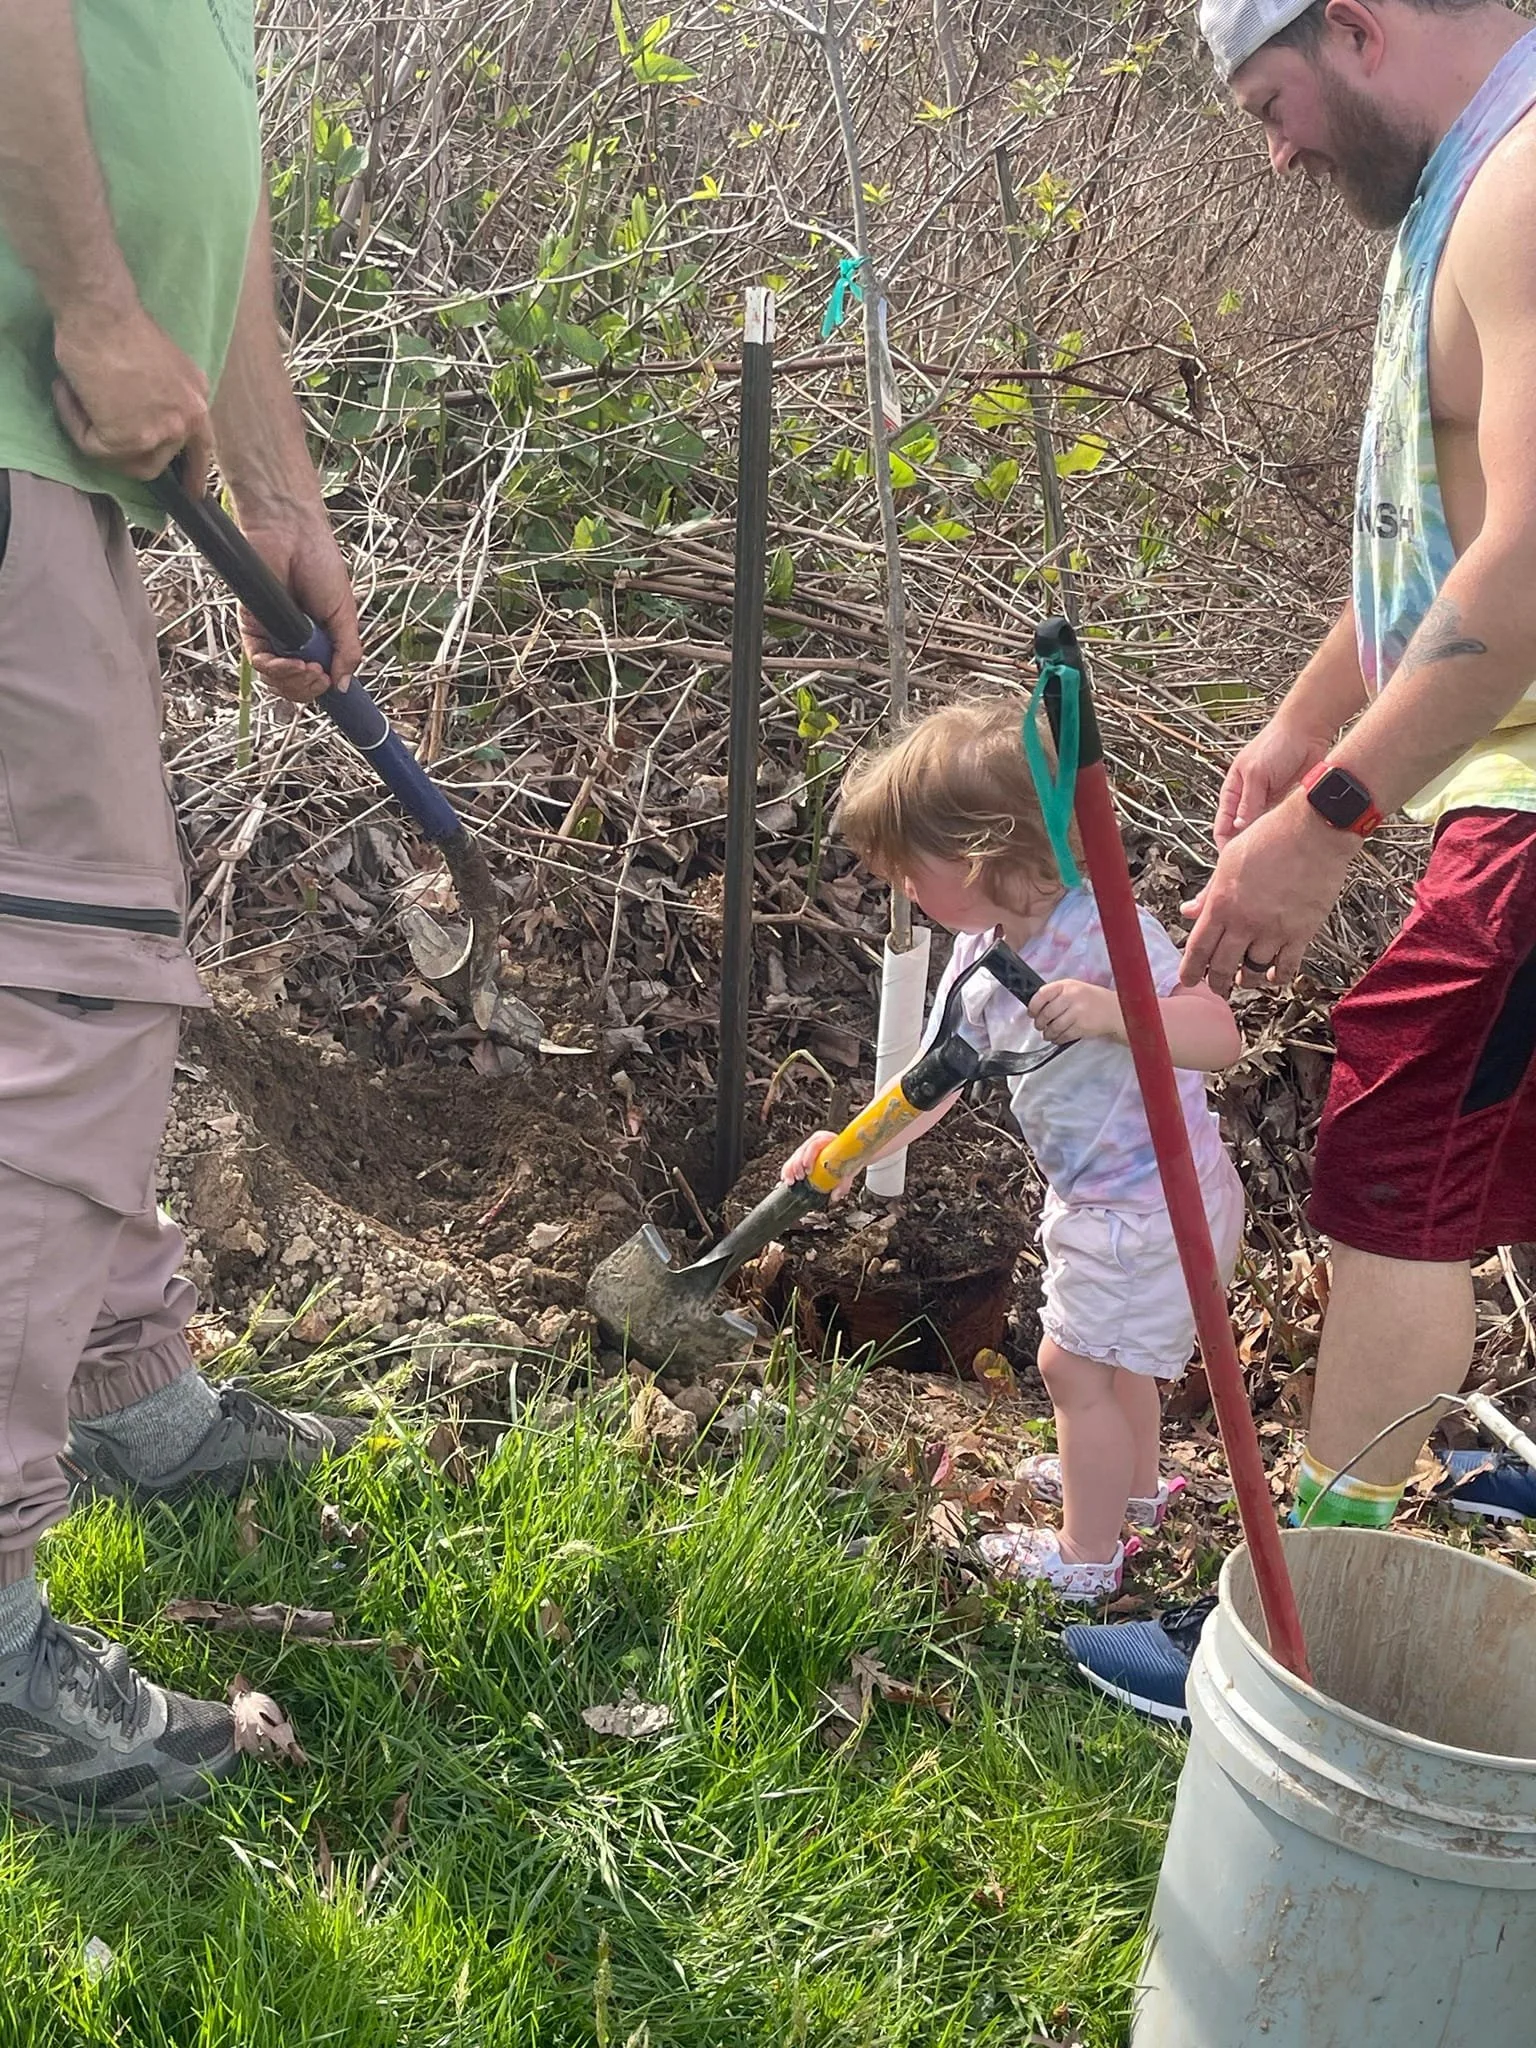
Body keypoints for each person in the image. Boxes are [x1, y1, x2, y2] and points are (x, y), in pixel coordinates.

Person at [1069, 0, 1536, 1717]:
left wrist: (1328, 822)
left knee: (1399, 1143)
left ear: (1354, 26)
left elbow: (1529, 565)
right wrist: (1294, 732)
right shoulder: (1471, 184)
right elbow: (1436, 539)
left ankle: (1295, 1635)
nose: (1273, 153)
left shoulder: (1522, 188)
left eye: (1272, 102)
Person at [0, 0, 368, 1823]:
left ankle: (120, 1384)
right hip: (17, 408)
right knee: (69, 985)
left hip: (52, 452)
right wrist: (87, 300)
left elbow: (199, 127)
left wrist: (279, 487)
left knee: (67, 963)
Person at [780, 699, 1246, 1599]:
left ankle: (1085, 1557)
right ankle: (1130, 1494)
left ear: (980, 856)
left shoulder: (1107, 933)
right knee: (1117, 1364)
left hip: (1151, 1204)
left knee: (1072, 1369)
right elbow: (934, 1080)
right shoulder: (981, 951)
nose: (902, 887)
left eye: (911, 871)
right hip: (1108, 1196)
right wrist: (849, 1149)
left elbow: (1217, 1034)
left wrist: (1114, 1014)